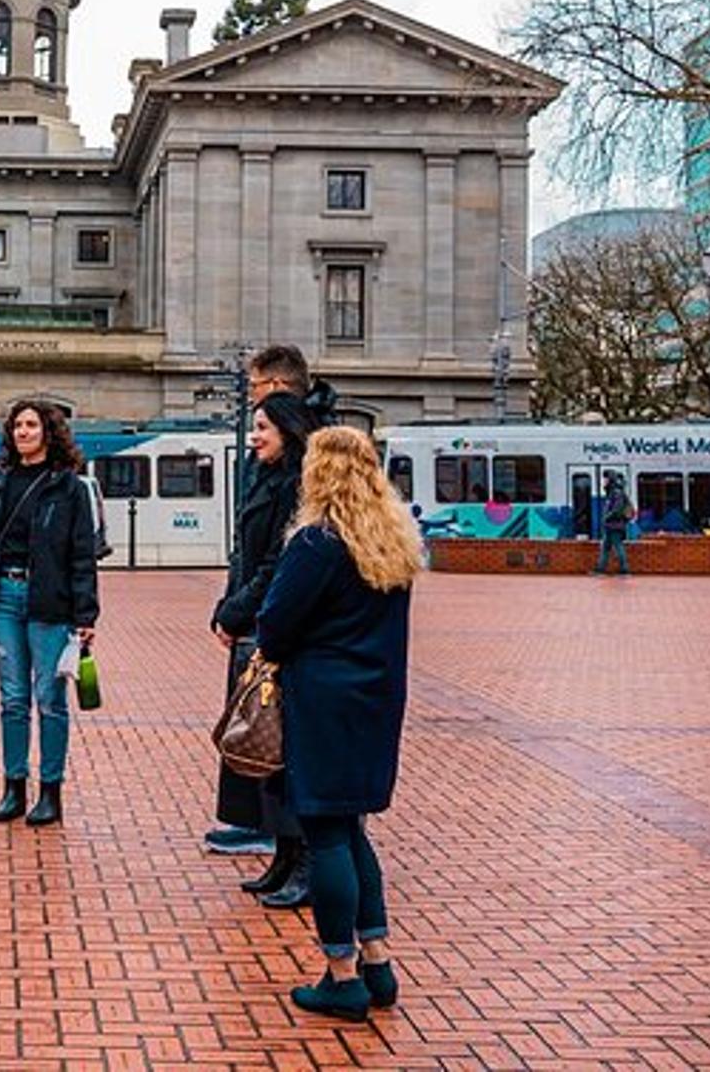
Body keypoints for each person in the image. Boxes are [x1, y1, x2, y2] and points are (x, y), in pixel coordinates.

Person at [254, 426, 422, 1021]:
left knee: (325, 834)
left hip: (323, 701)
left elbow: (274, 628)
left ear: (318, 474)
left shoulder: (317, 544)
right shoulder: (394, 544)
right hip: (377, 701)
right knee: (353, 830)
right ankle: (378, 963)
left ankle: (342, 973)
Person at [0, 400, 99, 828]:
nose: (23, 432)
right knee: (13, 700)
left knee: (50, 700)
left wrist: (86, 613)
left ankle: (50, 791)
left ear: (49, 432)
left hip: (51, 601)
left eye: (32, 425)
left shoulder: (68, 486)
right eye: (17, 425)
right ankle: (14, 786)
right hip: (4, 598)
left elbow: (82, 554)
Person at [206, 344, 321, 859]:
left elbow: (277, 559)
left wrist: (237, 609)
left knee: (270, 720)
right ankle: (262, 827)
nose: (252, 435)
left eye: (254, 392)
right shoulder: (272, 469)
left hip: (276, 617)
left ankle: (281, 836)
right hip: (257, 608)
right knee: (253, 713)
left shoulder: (300, 473)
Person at [596, 472, 632, 576]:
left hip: (615, 525)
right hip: (610, 525)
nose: (604, 481)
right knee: (605, 547)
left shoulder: (616, 493)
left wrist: (607, 517)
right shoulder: (611, 492)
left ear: (611, 480)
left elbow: (617, 509)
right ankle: (601, 569)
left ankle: (624, 569)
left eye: (606, 479)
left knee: (618, 546)